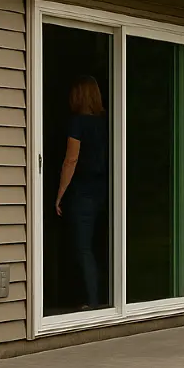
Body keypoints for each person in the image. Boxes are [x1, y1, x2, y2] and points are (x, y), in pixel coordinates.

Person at [55, 76, 109, 310]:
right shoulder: (106, 122)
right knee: (97, 245)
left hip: (83, 192)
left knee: (82, 248)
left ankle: (91, 302)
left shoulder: (77, 123)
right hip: (104, 190)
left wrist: (59, 194)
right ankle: (100, 298)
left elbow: (71, 159)